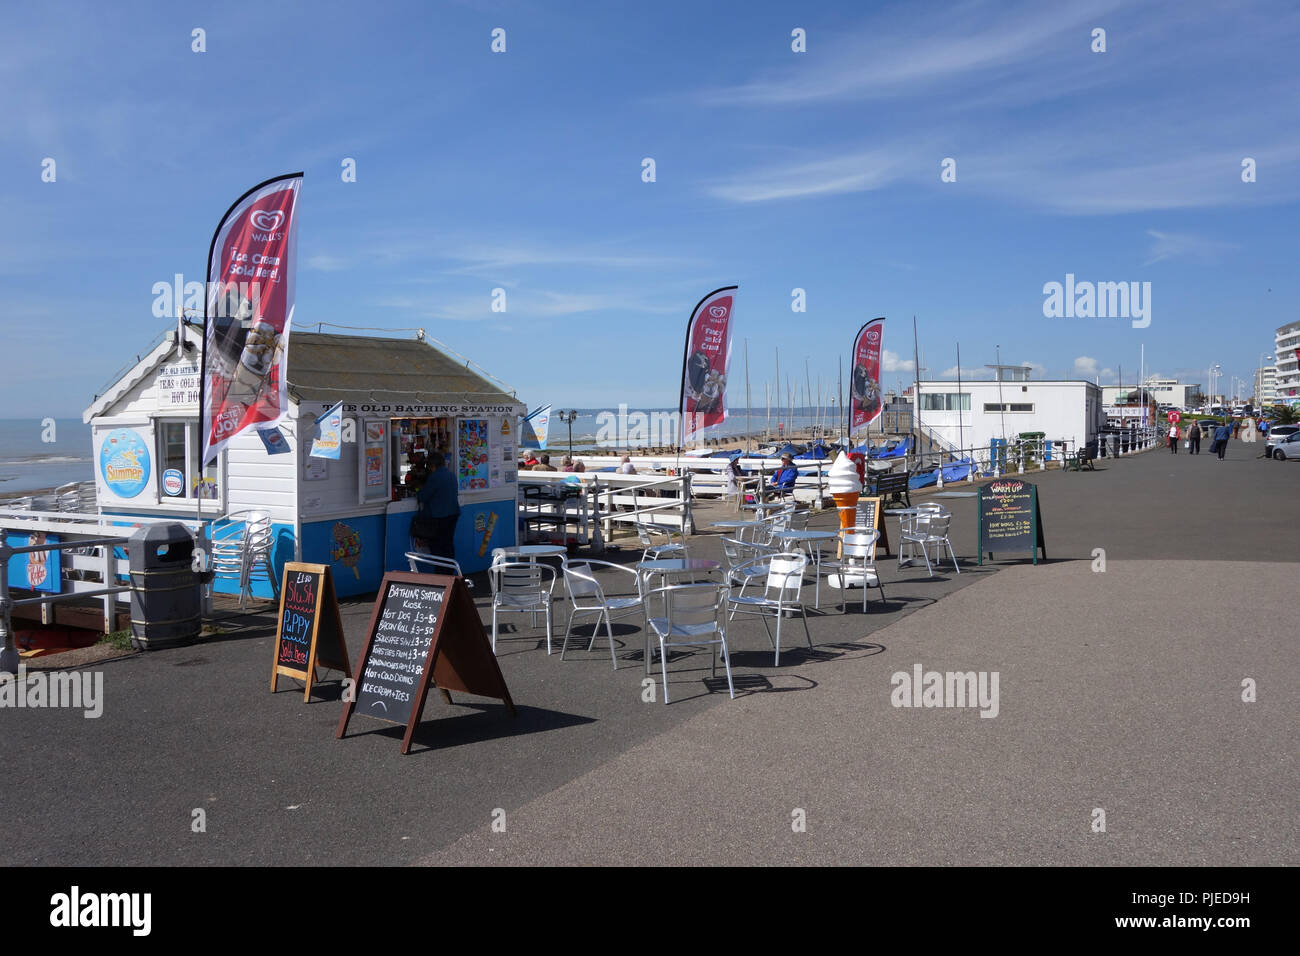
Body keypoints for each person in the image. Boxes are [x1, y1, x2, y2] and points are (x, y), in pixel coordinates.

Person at [412, 451, 460, 561]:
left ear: (432, 466)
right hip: (453, 514)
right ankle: (450, 573)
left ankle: (440, 575)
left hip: (439, 517)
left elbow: (423, 497)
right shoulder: (451, 475)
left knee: (437, 548)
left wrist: (417, 489)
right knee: (448, 545)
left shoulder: (435, 477)